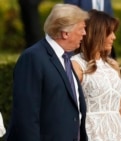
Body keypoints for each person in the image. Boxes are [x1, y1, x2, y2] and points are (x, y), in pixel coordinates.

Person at [5, 3, 89, 141]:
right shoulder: (33, 58)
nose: (84, 33)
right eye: (81, 29)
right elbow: (26, 116)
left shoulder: (65, 58)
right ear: (65, 33)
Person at [71, 9, 121, 141]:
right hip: (91, 134)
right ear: (97, 33)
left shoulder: (113, 66)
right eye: (110, 32)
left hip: (118, 134)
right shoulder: (76, 65)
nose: (114, 37)